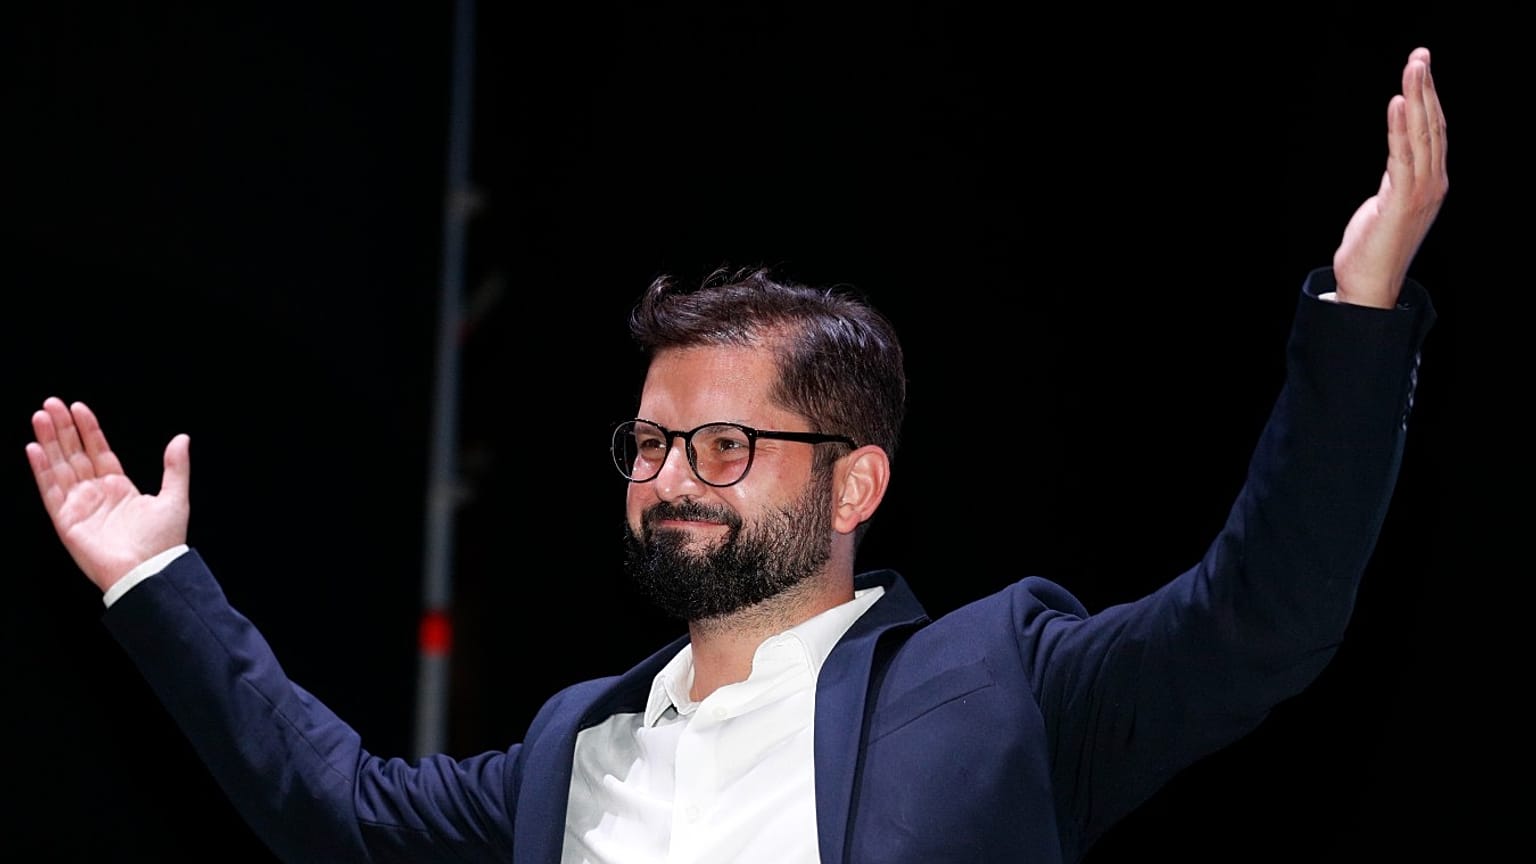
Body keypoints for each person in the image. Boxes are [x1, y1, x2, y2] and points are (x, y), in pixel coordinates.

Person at [25, 46, 1446, 864]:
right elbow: (326, 810)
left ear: (855, 481)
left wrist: (1358, 317)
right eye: (648, 443)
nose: (665, 476)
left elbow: (1265, 614)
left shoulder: (1007, 681)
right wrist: (156, 578)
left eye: (719, 443)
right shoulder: (570, 751)